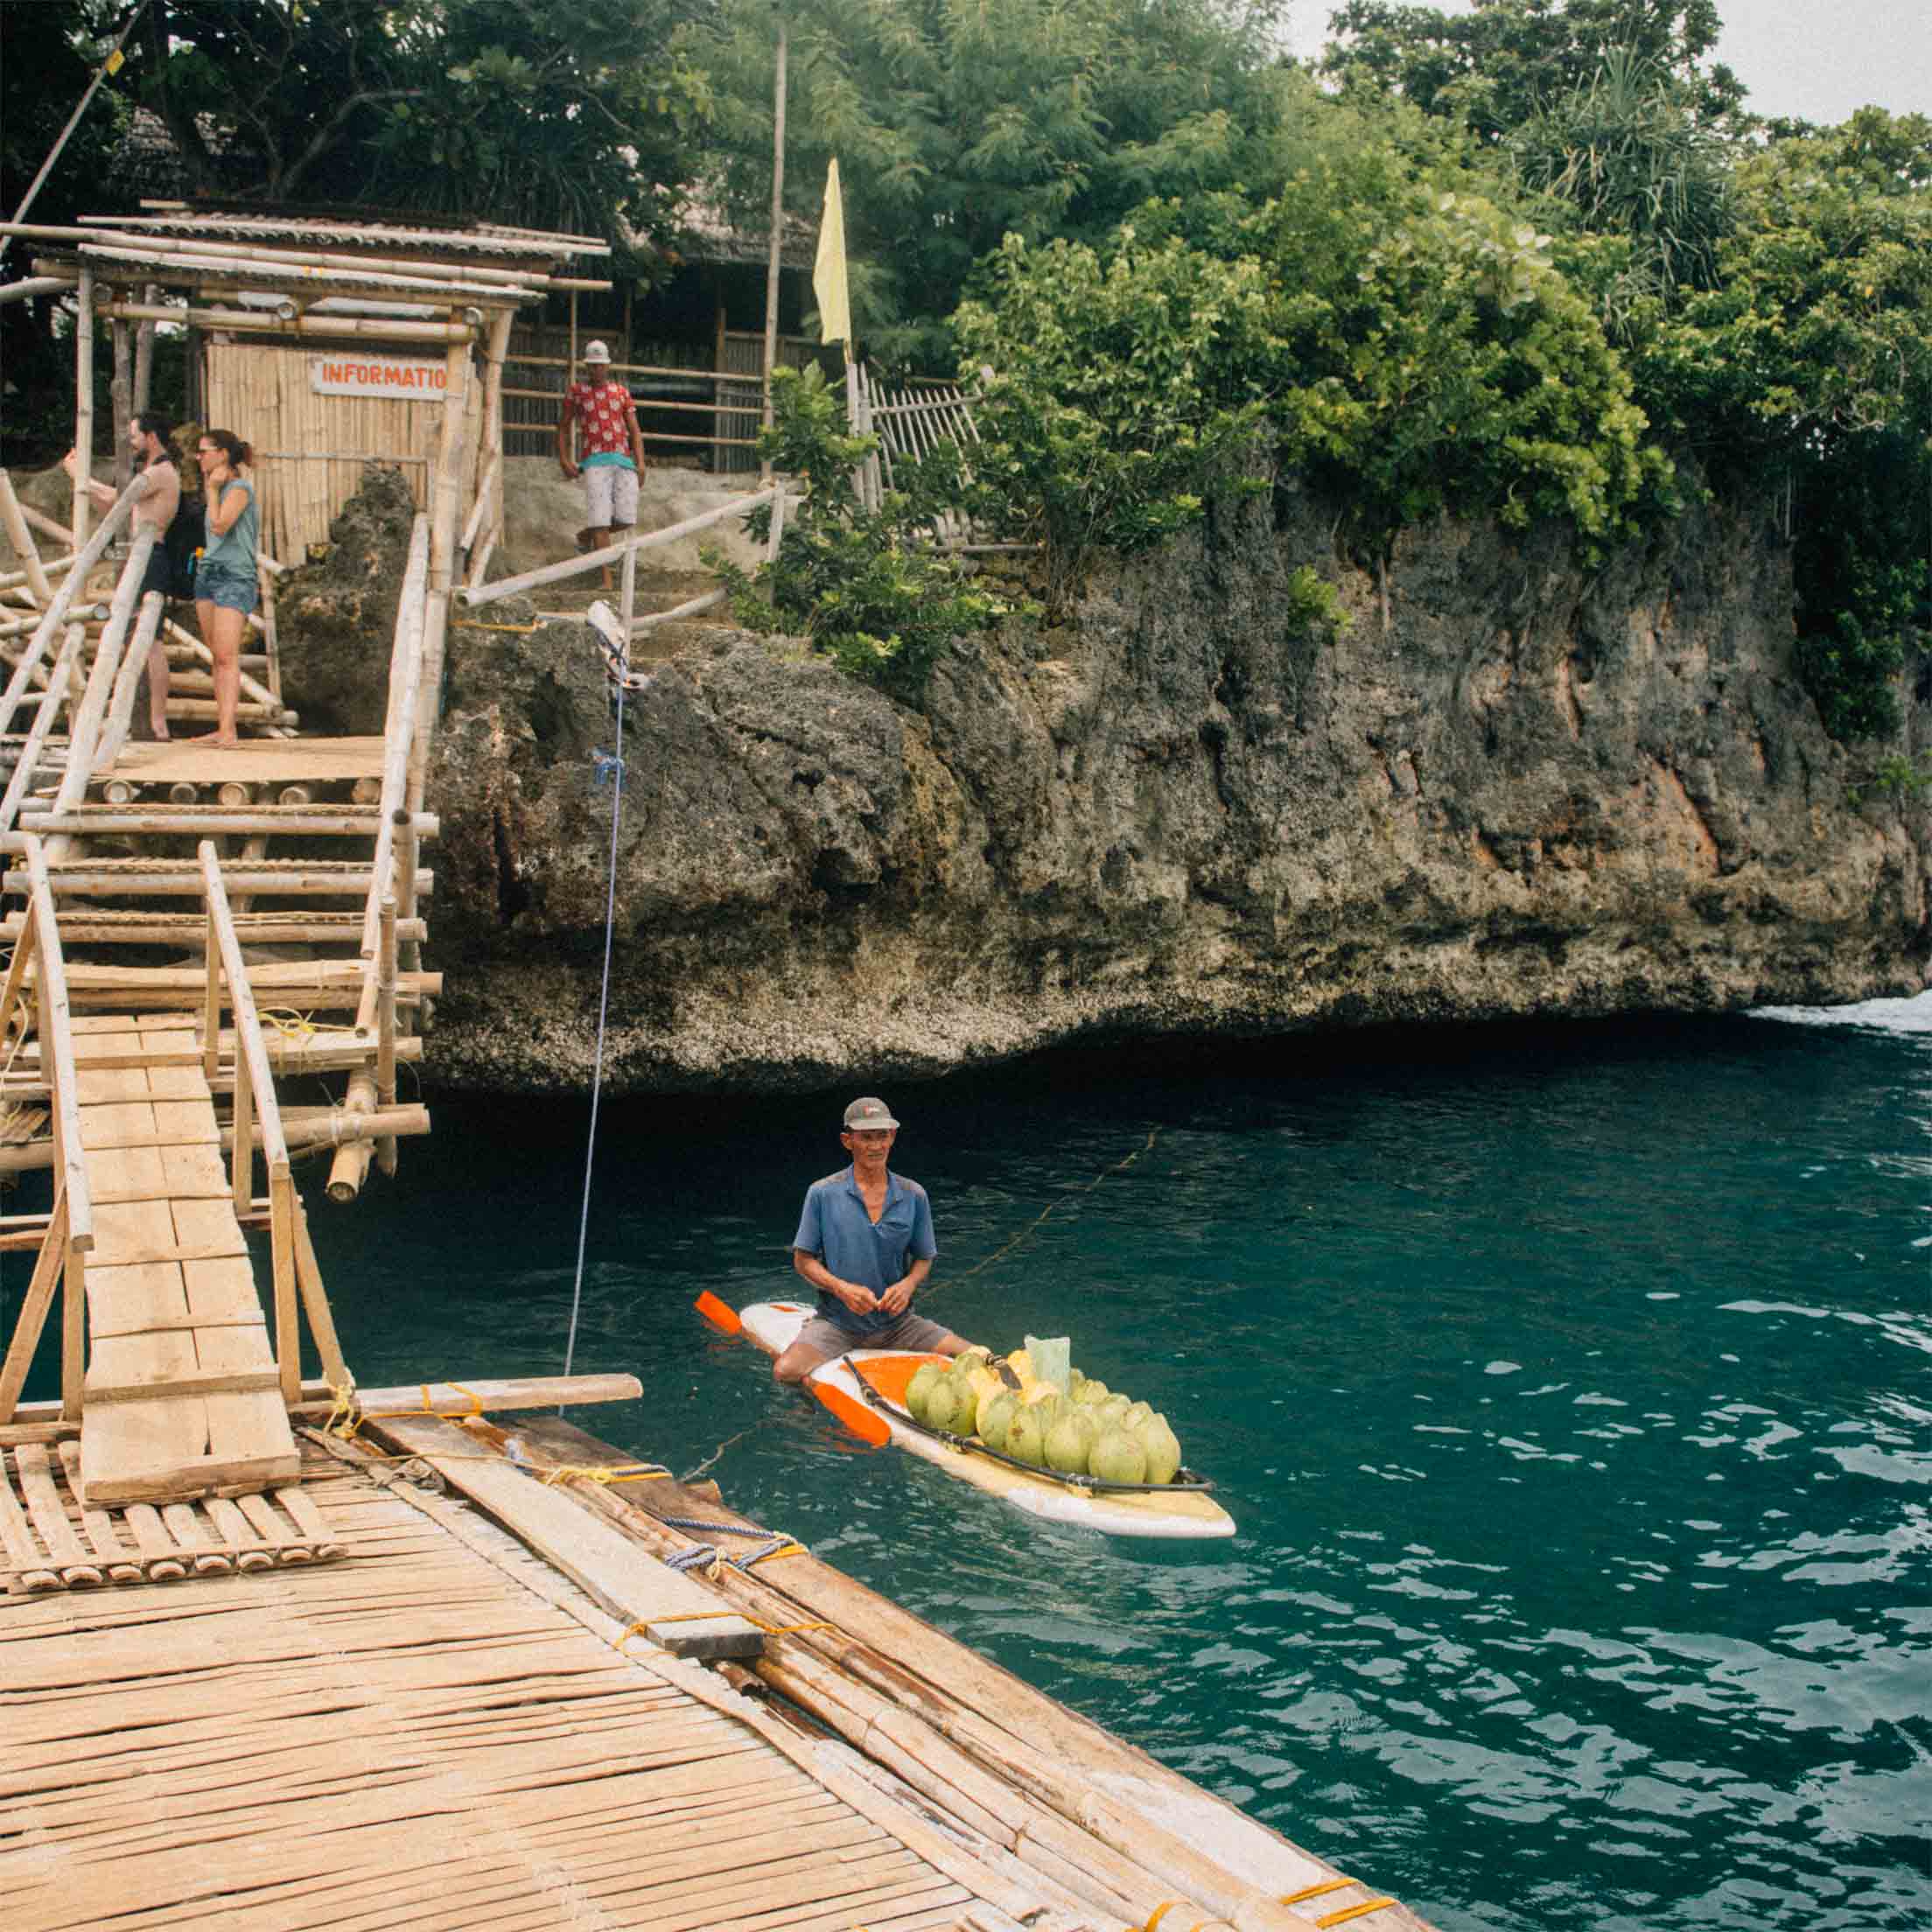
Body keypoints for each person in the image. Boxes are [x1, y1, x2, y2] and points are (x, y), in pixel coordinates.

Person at [776, 1096, 974, 1384]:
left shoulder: (914, 1194)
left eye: (882, 1136)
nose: (876, 1146)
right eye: (866, 1138)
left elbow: (924, 1258)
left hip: (900, 1325)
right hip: (837, 1324)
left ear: (892, 1137)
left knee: (976, 1356)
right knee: (786, 1371)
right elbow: (803, 1261)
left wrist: (908, 1285)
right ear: (847, 1141)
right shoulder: (821, 1193)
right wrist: (842, 1289)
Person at [62, 413, 181, 738]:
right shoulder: (150, 473)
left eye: (134, 434)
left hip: (152, 557)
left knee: (151, 640)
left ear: (151, 436)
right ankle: (146, 719)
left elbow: (119, 497)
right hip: (138, 557)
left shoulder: (160, 472)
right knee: (137, 636)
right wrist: (82, 482)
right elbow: (116, 507)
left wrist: (80, 476)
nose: (131, 441)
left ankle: (159, 722)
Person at [556, 340, 645, 589]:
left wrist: (641, 463)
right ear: (587, 366)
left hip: (623, 459)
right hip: (593, 461)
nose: (596, 370)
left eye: (600, 366)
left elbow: (635, 431)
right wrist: (564, 459)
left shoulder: (621, 392)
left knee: (626, 518)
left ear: (607, 366)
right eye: (592, 366)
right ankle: (606, 578)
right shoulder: (577, 392)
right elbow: (563, 427)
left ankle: (585, 536)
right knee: (600, 520)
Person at [191, 429, 257, 746]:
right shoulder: (215, 488)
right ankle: (222, 725)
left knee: (228, 655)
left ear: (223, 454)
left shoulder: (239, 489)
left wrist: (213, 489)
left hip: (234, 577)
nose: (198, 457)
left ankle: (229, 731)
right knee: (216, 656)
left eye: (204, 451)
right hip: (208, 574)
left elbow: (220, 525)